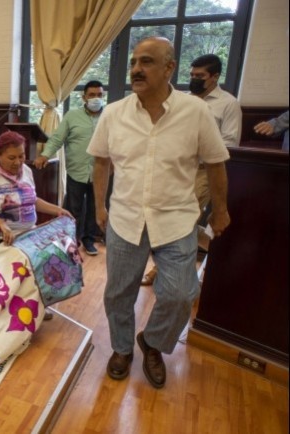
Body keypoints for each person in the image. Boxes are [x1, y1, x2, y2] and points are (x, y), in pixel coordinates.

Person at [88, 37, 230, 389]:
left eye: (147, 61)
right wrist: (100, 206)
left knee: (181, 294)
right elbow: (101, 162)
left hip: (176, 219)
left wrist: (220, 210)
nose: (136, 69)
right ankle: (122, 348)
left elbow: (216, 164)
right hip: (125, 219)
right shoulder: (113, 113)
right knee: (118, 293)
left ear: (170, 68)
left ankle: (152, 342)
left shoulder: (195, 112)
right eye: (134, 62)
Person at [141, 53, 242, 286]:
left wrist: (199, 148)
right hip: (174, 169)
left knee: (181, 219)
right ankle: (205, 251)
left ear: (215, 77)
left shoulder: (228, 104)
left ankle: (161, 271)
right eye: (192, 75)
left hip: (203, 171)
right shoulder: (182, 101)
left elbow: (230, 143)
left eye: (200, 76)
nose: (194, 79)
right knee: (165, 217)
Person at [0, 130, 73, 250]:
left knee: (64, 248)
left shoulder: (26, 170)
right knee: (41, 257)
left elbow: (32, 200)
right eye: (12, 158)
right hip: (0, 237)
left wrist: (58, 210)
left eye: (21, 156)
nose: (18, 162)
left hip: (29, 233)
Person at [34, 80, 105, 256]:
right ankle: (72, 240)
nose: (96, 98)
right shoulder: (72, 116)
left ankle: (89, 240)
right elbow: (57, 138)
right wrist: (45, 155)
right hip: (76, 171)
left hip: (101, 173)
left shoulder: (109, 116)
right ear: (84, 97)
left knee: (95, 208)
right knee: (74, 208)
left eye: (99, 95)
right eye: (92, 95)